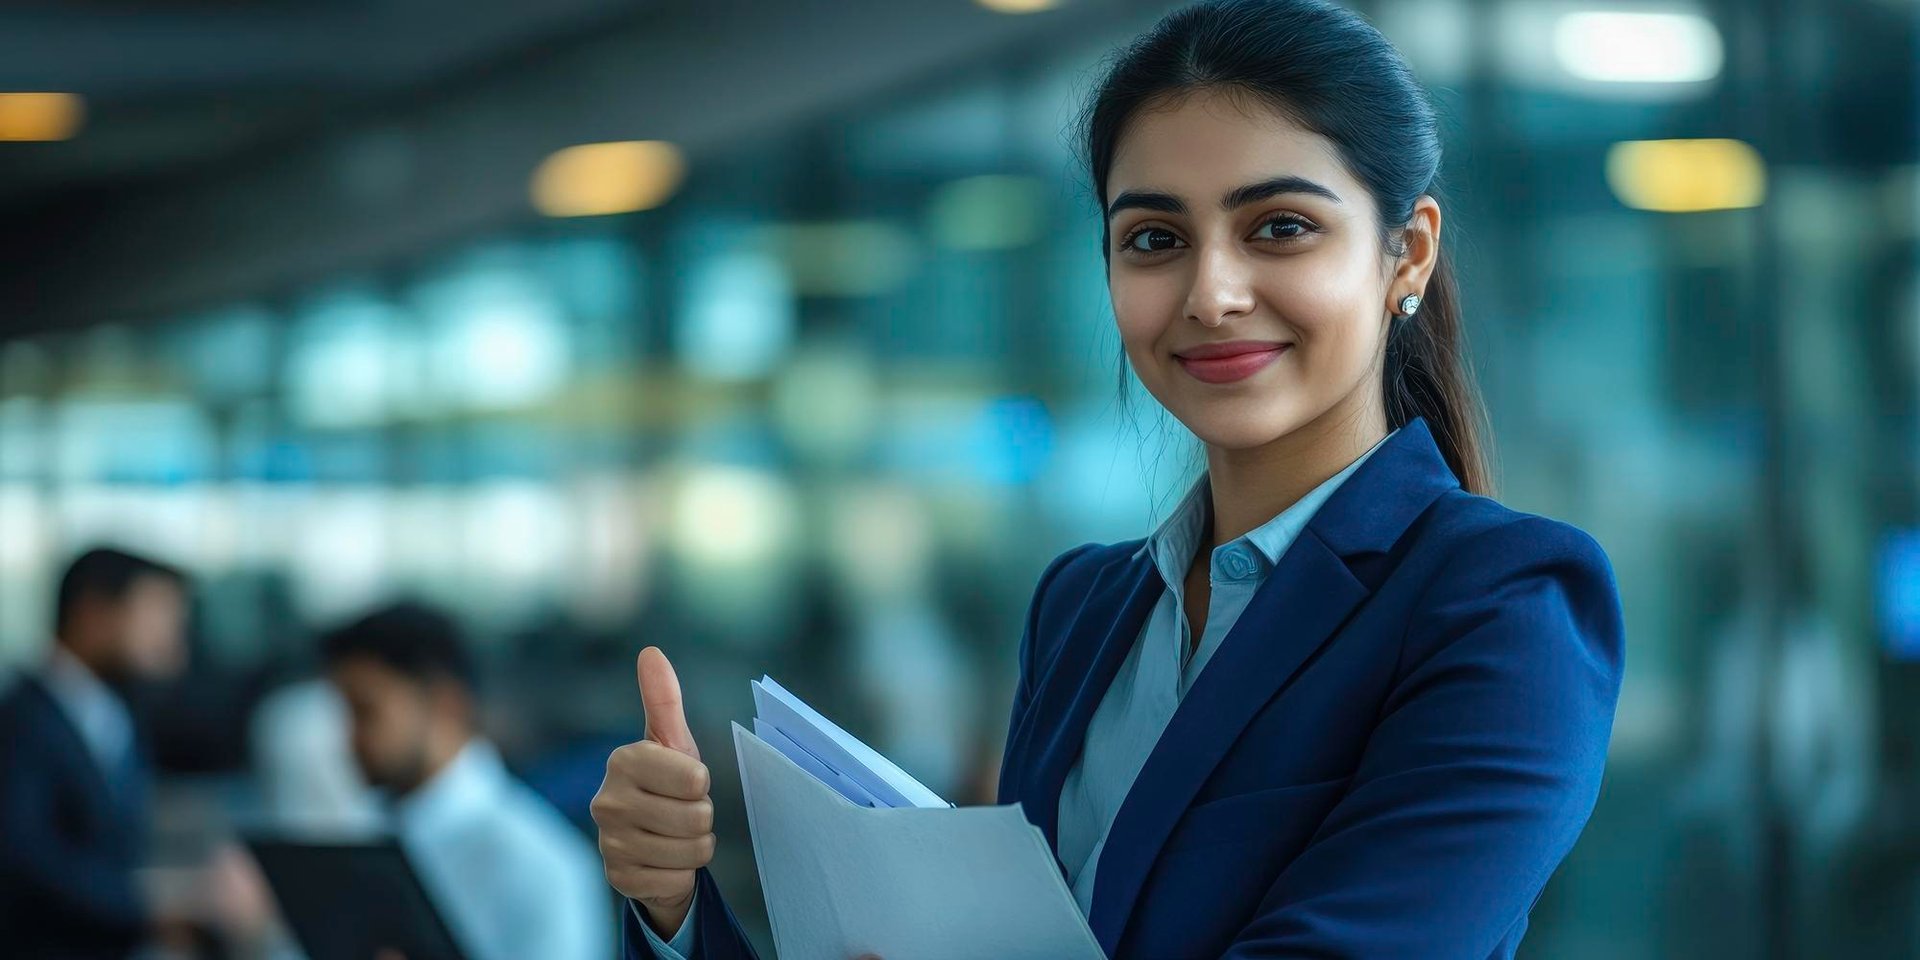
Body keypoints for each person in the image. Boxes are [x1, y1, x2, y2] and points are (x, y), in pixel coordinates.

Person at [592, 0, 1627, 957]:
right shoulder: (1083, 608)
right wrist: (676, 904)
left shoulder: (1502, 600)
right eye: (1155, 239)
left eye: (1281, 227)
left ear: (1407, 254)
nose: (1212, 293)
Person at [321, 601, 613, 960]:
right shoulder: (354, 834)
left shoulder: (545, 868)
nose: (348, 739)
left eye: (366, 711)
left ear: (445, 703)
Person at [0, 547, 190, 959]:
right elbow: (24, 858)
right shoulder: (19, 721)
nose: (170, 638)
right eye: (156, 616)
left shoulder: (119, 713)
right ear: (93, 614)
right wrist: (149, 908)